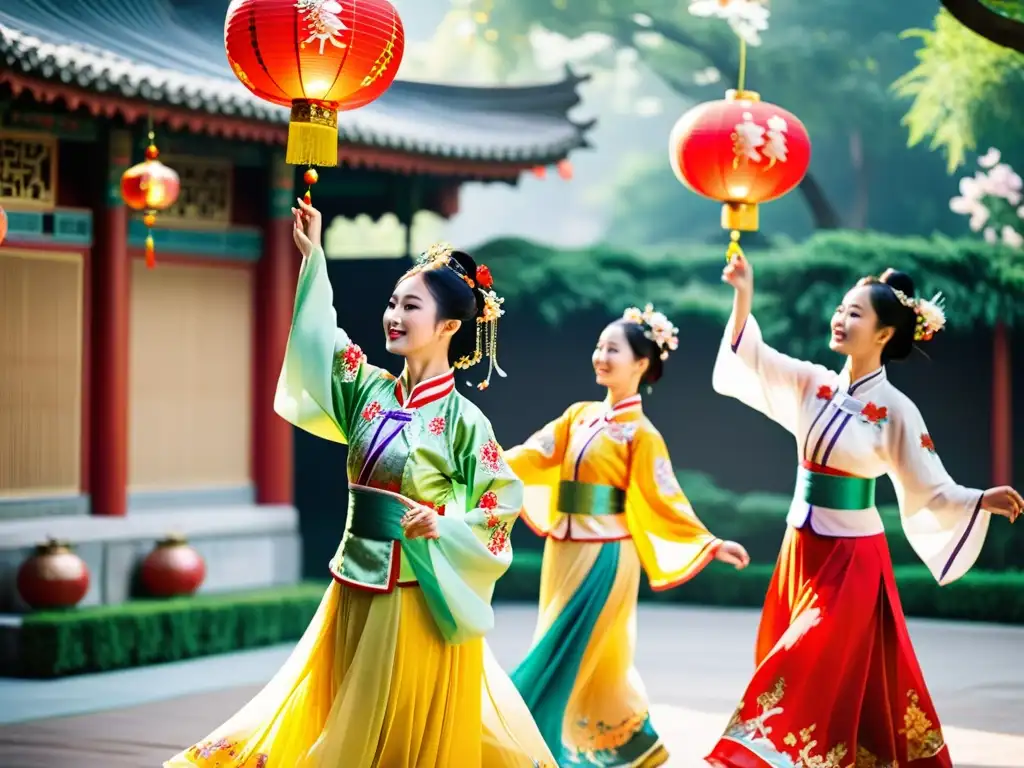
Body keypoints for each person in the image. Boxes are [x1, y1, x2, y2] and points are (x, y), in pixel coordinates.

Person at [164, 199, 555, 768]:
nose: (394, 315)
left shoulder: (466, 422)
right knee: (337, 710)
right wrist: (313, 258)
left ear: (448, 326)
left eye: (411, 306)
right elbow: (320, 340)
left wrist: (444, 523)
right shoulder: (368, 390)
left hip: (415, 597)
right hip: (351, 584)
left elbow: (499, 503)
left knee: (394, 723)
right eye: (392, 303)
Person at [705, 254, 1023, 767]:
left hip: (852, 563)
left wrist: (978, 499)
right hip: (801, 550)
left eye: (855, 314)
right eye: (841, 308)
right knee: (841, 678)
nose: (840, 317)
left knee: (802, 662)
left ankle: (748, 758)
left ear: (883, 334)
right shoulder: (812, 381)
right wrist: (744, 293)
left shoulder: (897, 410)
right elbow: (753, 356)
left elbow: (928, 483)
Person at [504, 304, 751, 767]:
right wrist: (482, 461)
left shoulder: (642, 433)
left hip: (605, 559)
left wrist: (709, 543)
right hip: (563, 552)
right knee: (575, 654)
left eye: (612, 349)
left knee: (566, 651)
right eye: (598, 347)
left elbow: (664, 497)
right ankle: (624, 746)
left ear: (641, 363)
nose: (600, 356)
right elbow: (531, 456)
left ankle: (526, 740)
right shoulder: (578, 415)